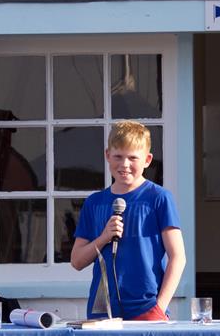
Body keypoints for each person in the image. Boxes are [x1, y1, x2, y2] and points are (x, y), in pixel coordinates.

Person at [70, 120, 186, 320]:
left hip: (147, 308)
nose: (124, 165)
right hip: (102, 310)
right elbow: (77, 261)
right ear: (107, 155)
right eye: (118, 156)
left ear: (147, 160)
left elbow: (178, 257)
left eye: (133, 158)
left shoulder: (158, 198)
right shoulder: (94, 202)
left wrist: (159, 308)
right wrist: (104, 237)